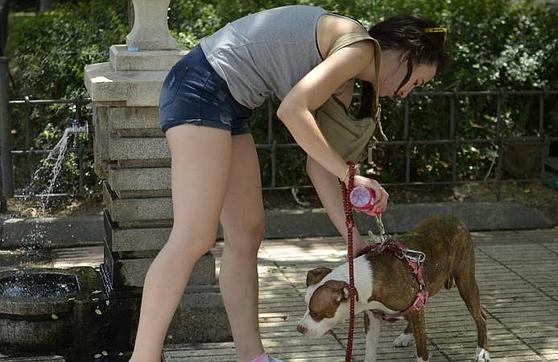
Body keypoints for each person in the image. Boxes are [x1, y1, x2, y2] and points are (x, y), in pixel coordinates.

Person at [130, 5, 448, 362]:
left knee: (247, 233)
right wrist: (350, 174)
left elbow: (319, 166)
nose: (407, 94)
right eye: (416, 81)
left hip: (230, 104)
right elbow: (292, 110)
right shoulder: (358, 49)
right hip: (200, 86)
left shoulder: (345, 76)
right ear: (407, 54)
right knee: (193, 237)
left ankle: (252, 356)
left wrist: (356, 245)